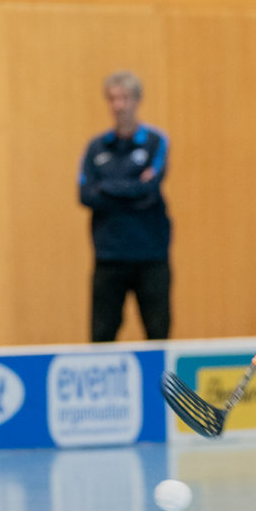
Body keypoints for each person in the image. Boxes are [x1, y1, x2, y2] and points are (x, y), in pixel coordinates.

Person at [78, 70, 172, 342]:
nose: (118, 105)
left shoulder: (156, 141)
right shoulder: (96, 148)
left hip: (151, 256)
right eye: (112, 98)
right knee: (101, 334)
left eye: (125, 98)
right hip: (109, 257)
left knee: (158, 333)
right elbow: (85, 194)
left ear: (137, 100)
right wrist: (132, 186)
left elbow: (149, 190)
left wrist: (107, 186)